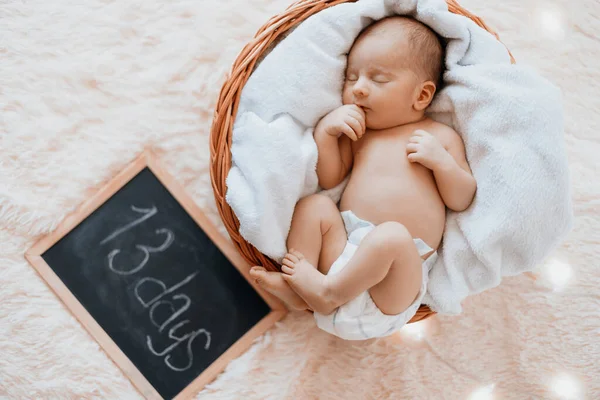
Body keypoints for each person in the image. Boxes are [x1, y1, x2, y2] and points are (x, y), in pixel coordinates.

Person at [249, 16, 477, 340]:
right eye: (351, 77)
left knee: (393, 236)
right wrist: (326, 132)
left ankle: (328, 294)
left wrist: (442, 164)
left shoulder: (439, 136)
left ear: (422, 95)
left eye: (378, 79)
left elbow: (462, 197)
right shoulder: (361, 135)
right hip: (344, 254)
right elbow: (330, 179)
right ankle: (300, 292)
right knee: (314, 206)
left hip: (395, 279)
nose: (358, 87)